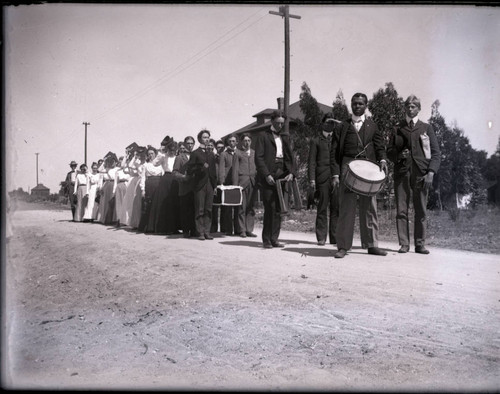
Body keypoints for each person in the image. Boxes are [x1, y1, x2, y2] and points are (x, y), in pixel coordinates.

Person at [330, 93, 388, 258]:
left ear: (366, 105)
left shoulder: (372, 126)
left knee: (370, 208)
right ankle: (343, 246)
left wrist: (383, 159)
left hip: (368, 171)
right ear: (351, 105)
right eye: (354, 103)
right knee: (346, 209)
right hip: (347, 170)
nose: (357, 106)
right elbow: (334, 153)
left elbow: (380, 147)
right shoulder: (341, 127)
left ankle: (372, 245)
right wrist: (335, 174)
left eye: (360, 104)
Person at [388, 94, 441, 254]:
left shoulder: (426, 128)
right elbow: (389, 151)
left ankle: (420, 244)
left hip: (421, 174)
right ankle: (404, 243)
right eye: (408, 106)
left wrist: (431, 172)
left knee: (421, 210)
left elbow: (436, 153)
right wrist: (398, 156)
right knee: (401, 210)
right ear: (405, 108)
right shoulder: (397, 128)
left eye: (414, 106)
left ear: (419, 109)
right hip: (402, 172)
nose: (410, 109)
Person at [254, 110, 297, 249]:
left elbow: (291, 157)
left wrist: (291, 172)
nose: (279, 126)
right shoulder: (263, 136)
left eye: (282, 124)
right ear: (272, 121)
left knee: (279, 208)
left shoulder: (285, 137)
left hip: (282, 173)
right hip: (269, 175)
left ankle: (274, 238)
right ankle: (266, 239)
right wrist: (266, 175)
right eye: (277, 123)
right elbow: (258, 158)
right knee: (270, 207)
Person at [308, 113, 340, 246]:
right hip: (322, 178)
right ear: (322, 124)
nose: (330, 125)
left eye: (332, 123)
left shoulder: (337, 140)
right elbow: (311, 162)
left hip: (336, 178)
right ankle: (321, 237)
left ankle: (335, 237)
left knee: (336, 207)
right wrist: (312, 179)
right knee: (322, 207)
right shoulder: (316, 141)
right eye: (328, 122)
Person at [186, 129, 217, 240]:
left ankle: (207, 232)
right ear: (199, 139)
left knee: (209, 209)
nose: (207, 139)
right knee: (200, 209)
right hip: (199, 185)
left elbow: (213, 171)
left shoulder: (211, 154)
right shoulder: (195, 153)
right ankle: (200, 232)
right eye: (204, 137)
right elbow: (190, 170)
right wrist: (201, 168)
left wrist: (215, 185)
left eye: (208, 137)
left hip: (210, 184)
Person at [150, 136, 180, 234]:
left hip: (175, 179)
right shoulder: (164, 157)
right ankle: (162, 227)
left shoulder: (177, 157)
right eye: (170, 150)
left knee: (174, 203)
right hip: (166, 179)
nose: (172, 152)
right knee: (164, 203)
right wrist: (161, 154)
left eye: (174, 150)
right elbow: (154, 164)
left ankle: (173, 227)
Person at [232, 133, 258, 238]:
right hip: (242, 183)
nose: (247, 143)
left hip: (253, 182)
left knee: (251, 207)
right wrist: (235, 185)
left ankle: (249, 229)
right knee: (241, 207)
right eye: (245, 141)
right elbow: (235, 170)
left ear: (251, 142)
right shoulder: (237, 153)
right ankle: (241, 230)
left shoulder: (254, 153)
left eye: (249, 141)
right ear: (242, 142)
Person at [173, 136, 197, 238]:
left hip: (196, 188)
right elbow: (174, 172)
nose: (190, 145)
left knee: (195, 209)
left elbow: (205, 166)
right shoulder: (179, 157)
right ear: (184, 144)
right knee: (185, 210)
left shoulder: (197, 155)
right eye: (188, 143)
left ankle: (195, 230)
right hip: (184, 188)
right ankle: (186, 231)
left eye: (192, 143)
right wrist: (183, 177)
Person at [138, 146, 164, 232]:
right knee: (147, 206)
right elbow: (143, 178)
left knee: (157, 205)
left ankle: (156, 227)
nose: (150, 155)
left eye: (152, 153)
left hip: (159, 185)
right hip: (149, 185)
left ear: (155, 154)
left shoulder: (161, 164)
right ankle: (145, 227)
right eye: (149, 154)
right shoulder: (145, 165)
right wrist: (143, 190)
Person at [218, 134, 240, 236]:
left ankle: (238, 229)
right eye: (230, 141)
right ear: (227, 142)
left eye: (234, 141)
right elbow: (221, 169)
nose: (232, 143)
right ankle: (228, 229)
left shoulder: (240, 153)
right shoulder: (224, 154)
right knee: (227, 207)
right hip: (227, 182)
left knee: (238, 206)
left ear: (237, 142)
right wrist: (221, 182)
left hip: (238, 182)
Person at [97, 153, 119, 225]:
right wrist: (104, 160)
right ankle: (105, 219)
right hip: (107, 185)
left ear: (116, 162)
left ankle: (113, 220)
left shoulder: (117, 169)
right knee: (105, 202)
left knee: (113, 202)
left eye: (113, 161)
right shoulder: (107, 169)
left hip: (114, 184)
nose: (112, 163)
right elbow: (99, 170)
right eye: (110, 162)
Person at [210, 139, 226, 234]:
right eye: (218, 147)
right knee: (214, 207)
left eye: (221, 147)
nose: (219, 149)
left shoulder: (225, 156)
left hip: (224, 183)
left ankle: (224, 228)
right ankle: (213, 227)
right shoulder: (214, 157)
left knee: (224, 206)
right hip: (215, 183)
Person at [113, 156, 131, 227]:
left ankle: (126, 220)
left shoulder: (128, 170)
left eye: (123, 161)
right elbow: (115, 182)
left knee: (126, 203)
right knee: (119, 203)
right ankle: (119, 219)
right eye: (120, 162)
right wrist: (114, 191)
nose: (122, 163)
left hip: (127, 185)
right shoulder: (118, 171)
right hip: (119, 186)